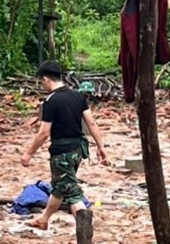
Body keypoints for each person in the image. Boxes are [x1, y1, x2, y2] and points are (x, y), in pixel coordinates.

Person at [20, 60, 107, 231]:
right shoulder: (77, 95)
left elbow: (44, 132)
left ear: (45, 79)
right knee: (60, 189)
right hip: (77, 150)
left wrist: (29, 153)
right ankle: (44, 219)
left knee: (73, 195)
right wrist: (101, 146)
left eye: (42, 81)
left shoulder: (51, 101)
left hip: (62, 153)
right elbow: (92, 123)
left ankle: (85, 231)